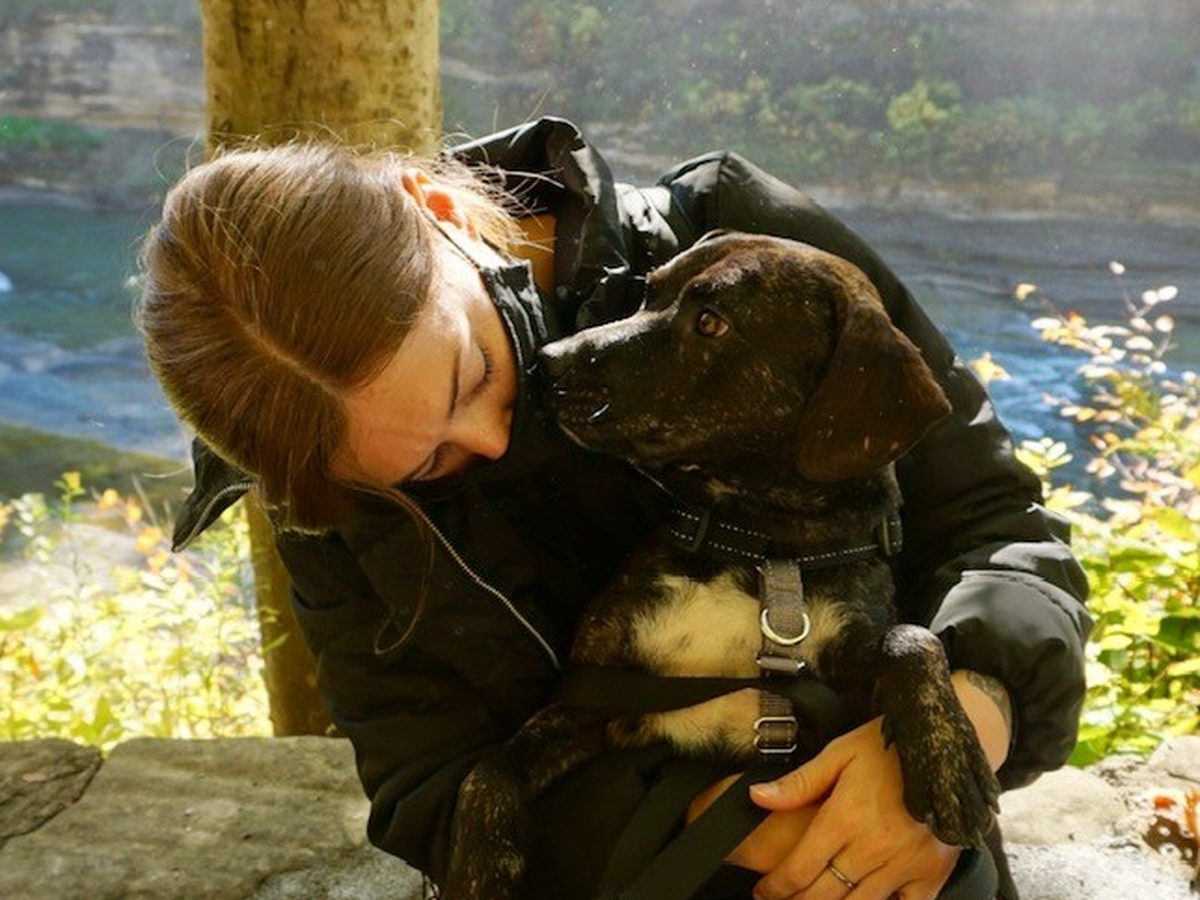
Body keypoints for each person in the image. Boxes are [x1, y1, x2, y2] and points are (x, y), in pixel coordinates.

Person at [136, 117, 1091, 900]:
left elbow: (994, 524)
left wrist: (967, 719)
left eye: (472, 373)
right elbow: (429, 788)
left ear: (438, 210)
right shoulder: (325, 492)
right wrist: (734, 826)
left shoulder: (736, 252)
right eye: (426, 465)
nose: (489, 440)